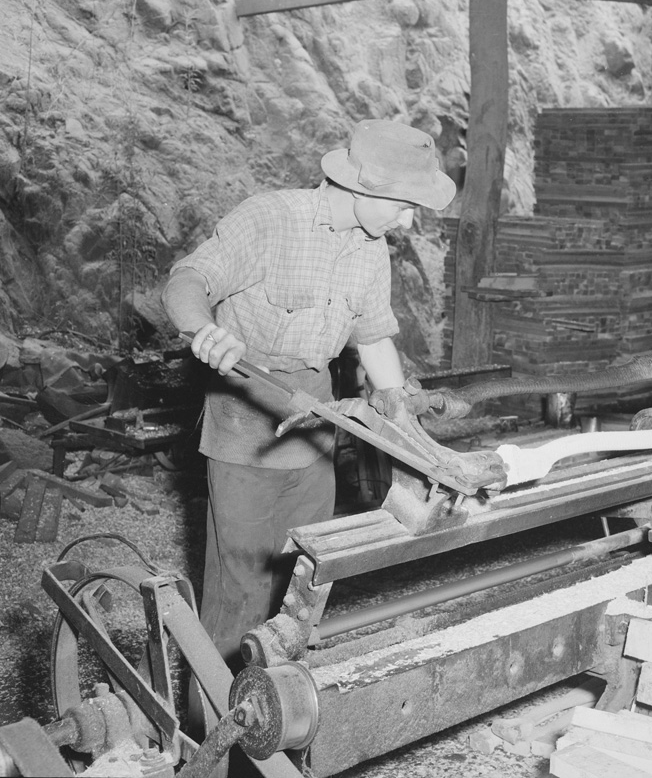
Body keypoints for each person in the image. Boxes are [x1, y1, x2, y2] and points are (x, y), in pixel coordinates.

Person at [161, 119, 456, 670]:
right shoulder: (271, 219)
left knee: (307, 570)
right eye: (404, 204)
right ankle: (217, 727)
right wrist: (204, 328)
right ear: (363, 189)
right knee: (240, 586)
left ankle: (282, 711)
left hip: (316, 420)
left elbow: (373, 338)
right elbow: (188, 279)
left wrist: (404, 419)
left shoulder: (371, 248)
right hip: (245, 411)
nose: (409, 220)